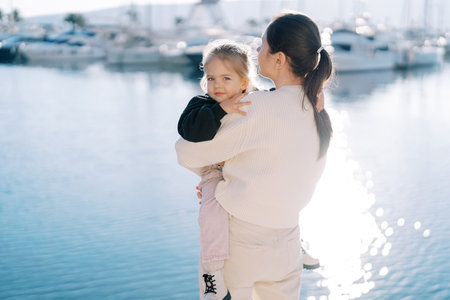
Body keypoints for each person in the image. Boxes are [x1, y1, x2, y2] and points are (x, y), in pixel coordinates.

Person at [176, 11, 332, 299]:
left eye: (262, 47)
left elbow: (185, 152)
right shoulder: (318, 110)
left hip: (241, 243)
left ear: (279, 59)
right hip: (288, 240)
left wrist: (215, 175)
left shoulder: (254, 107)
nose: (257, 53)